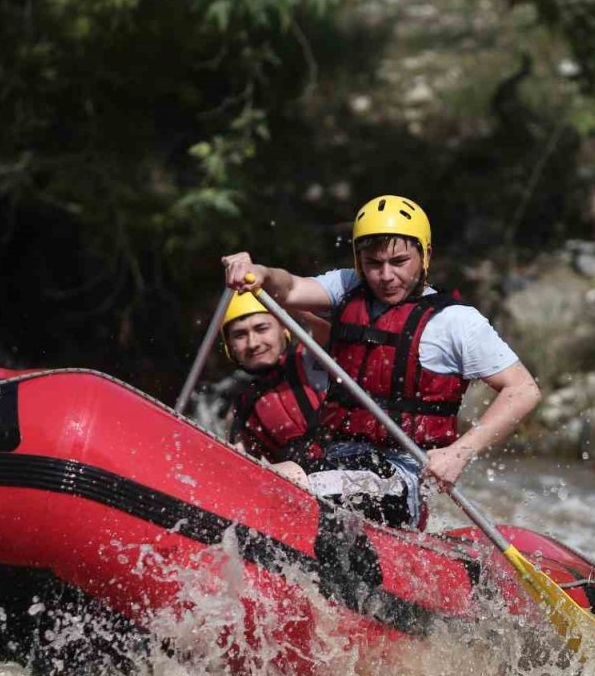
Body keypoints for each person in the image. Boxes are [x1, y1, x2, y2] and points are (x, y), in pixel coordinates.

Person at [221, 194, 542, 527]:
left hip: (402, 477)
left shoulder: (456, 322)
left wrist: (460, 452)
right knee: (262, 473)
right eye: (373, 263)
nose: (385, 275)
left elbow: (522, 390)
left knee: (280, 481)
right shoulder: (346, 287)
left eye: (399, 261)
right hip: (334, 458)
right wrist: (259, 272)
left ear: (425, 255)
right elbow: (287, 289)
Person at [221, 291, 327, 471]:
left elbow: (325, 326)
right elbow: (238, 468)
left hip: (353, 467)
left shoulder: (313, 357)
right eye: (240, 335)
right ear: (230, 347)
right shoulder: (242, 409)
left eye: (262, 329)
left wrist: (274, 290)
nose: (253, 343)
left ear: (283, 328)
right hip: (304, 486)